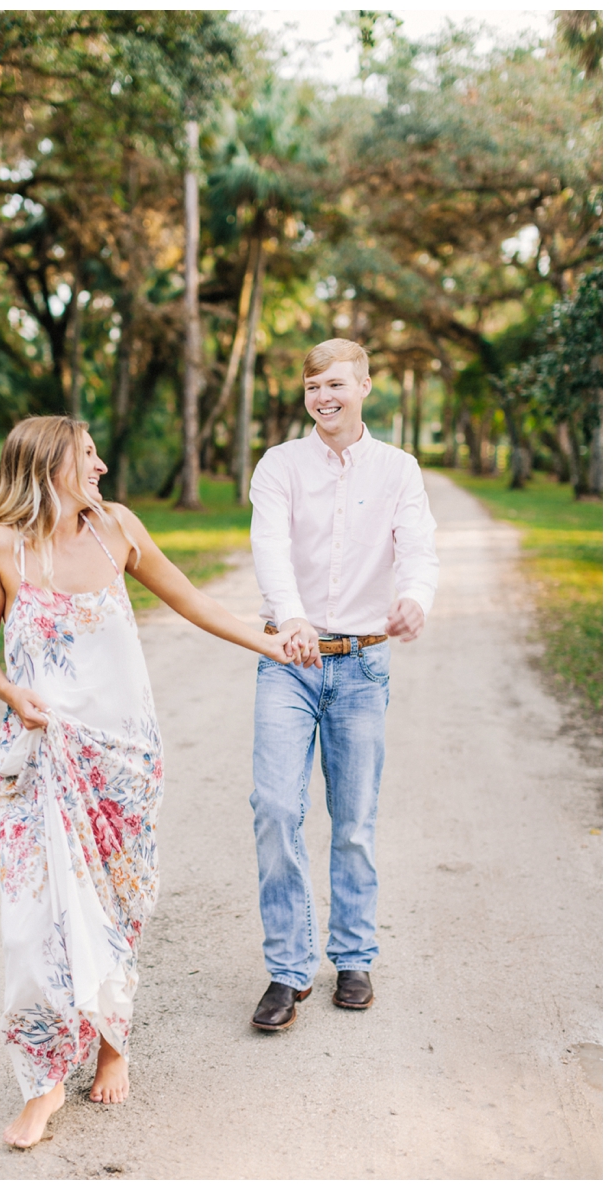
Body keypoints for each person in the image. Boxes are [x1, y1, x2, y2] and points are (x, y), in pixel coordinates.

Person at [0, 415, 296, 1148]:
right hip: (42, 761)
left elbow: (193, 602)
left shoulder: (117, 529)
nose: (103, 467)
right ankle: (44, 1084)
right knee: (32, 929)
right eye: (88, 456)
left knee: (117, 910)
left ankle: (113, 1041)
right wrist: (14, 696)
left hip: (123, 759)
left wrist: (274, 646)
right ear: (49, 463)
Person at [247, 338, 438, 1030]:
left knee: (354, 821)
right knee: (275, 807)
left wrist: (416, 596)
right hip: (288, 660)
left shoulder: (398, 470)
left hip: (362, 664)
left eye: (335, 384)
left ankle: (353, 956)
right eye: (311, 387)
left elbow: (417, 547)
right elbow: (269, 546)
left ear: (363, 386)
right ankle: (287, 971)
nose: (322, 396)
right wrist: (291, 616)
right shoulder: (279, 466)